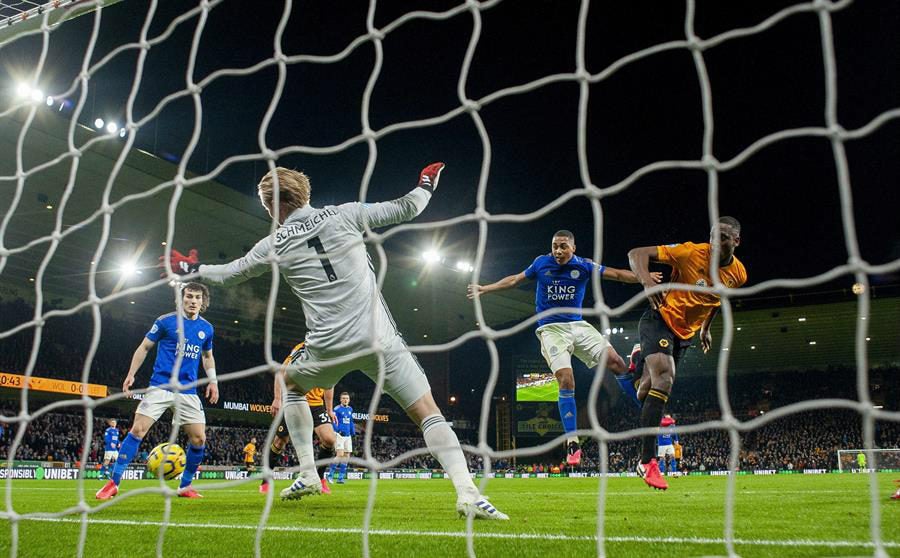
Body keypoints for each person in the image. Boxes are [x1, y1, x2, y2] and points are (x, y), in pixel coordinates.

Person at [165, 163, 508, 519]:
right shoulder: (345, 214)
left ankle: (309, 473)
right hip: (379, 341)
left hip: (326, 348)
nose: (268, 212)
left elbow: (232, 273)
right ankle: (468, 494)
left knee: (292, 384)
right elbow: (408, 207)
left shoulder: (275, 243)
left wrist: (193, 271)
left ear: (276, 204)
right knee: (428, 414)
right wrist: (425, 183)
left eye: (267, 206)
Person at [467, 230, 660, 465]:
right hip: (551, 330)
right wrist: (486, 288)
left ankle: (648, 410)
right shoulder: (541, 263)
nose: (558, 251)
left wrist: (644, 277)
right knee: (566, 379)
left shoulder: (585, 265)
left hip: (578, 325)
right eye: (555, 246)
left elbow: (618, 274)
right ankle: (572, 441)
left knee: (617, 362)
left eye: (563, 247)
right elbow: (515, 280)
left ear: (573, 248)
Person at [627, 216, 747, 491]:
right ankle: (647, 462)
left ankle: (637, 365)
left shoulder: (739, 274)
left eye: (725, 238)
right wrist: (647, 282)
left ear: (737, 241)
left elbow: (716, 299)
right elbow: (636, 253)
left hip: (684, 335)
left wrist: (705, 328)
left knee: (644, 391)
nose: (717, 242)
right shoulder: (690, 252)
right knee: (665, 379)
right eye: (714, 235)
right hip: (658, 319)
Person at [96, 282, 219, 500]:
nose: (193, 301)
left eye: (197, 297)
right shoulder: (165, 321)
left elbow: (207, 357)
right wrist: (131, 373)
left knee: (199, 439)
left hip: (188, 391)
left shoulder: (206, 329)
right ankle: (113, 482)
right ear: (181, 299)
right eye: (189, 296)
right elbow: (144, 347)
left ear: (203, 302)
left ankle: (185, 486)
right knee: (138, 430)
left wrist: (213, 381)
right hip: (160, 385)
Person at [260, 342, 337, 495]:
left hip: (316, 405)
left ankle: (320, 479)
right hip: (295, 400)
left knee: (329, 439)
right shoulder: (303, 348)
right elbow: (281, 372)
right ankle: (266, 480)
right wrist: (277, 398)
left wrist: (329, 409)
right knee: (279, 442)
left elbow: (330, 384)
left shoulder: (332, 352)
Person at [327, 392, 355, 484]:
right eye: (343, 398)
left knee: (346, 456)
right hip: (339, 435)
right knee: (339, 455)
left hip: (348, 436)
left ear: (349, 400)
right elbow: (333, 422)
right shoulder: (337, 409)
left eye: (347, 398)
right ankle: (330, 476)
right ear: (340, 399)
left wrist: (353, 432)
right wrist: (338, 431)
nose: (345, 400)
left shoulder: (350, 409)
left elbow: (350, 421)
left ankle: (340, 478)